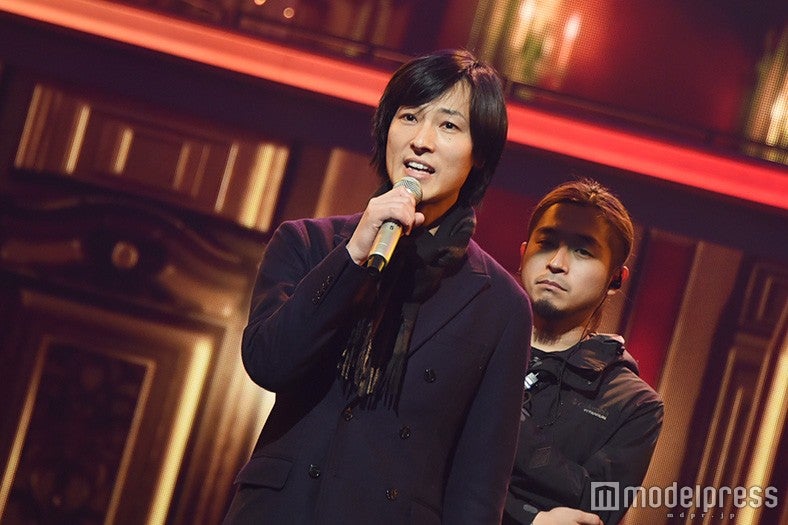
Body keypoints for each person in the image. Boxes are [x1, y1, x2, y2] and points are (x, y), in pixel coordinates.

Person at [223, 49, 532, 524]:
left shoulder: (501, 306)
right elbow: (269, 362)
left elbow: (478, 484)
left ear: (480, 155)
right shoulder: (308, 243)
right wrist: (351, 256)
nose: (421, 141)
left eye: (449, 125)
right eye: (409, 117)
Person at [504, 179, 664, 525]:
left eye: (582, 251)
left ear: (615, 279)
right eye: (546, 243)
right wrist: (532, 518)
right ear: (524, 252)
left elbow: (595, 510)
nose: (557, 263)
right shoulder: (470, 339)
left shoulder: (633, 404)